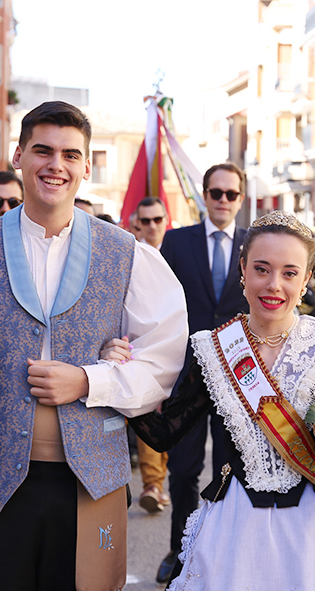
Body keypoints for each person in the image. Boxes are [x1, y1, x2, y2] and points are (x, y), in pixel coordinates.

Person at [0, 101, 189, 590]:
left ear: (85, 167)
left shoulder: (127, 253)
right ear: (18, 156)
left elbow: (164, 360)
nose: (56, 165)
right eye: (43, 150)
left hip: (93, 486)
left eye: (70, 154)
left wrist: (90, 380)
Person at [102, 210, 315, 590]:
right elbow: (164, 434)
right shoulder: (214, 349)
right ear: (242, 270)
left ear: (306, 279)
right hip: (237, 532)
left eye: (290, 273)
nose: (274, 285)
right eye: (262, 269)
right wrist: (120, 375)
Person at [155, 161, 249, 583]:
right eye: (216, 193)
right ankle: (181, 550)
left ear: (240, 199)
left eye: (231, 194)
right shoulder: (177, 242)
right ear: (204, 196)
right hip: (187, 376)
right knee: (183, 471)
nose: (223, 200)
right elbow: (159, 306)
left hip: (239, 377)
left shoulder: (255, 243)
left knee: (230, 469)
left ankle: (221, 551)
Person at [132, 196, 172, 513]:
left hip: (181, 349)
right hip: (142, 351)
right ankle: (153, 485)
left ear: (165, 220)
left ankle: (163, 484)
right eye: (145, 221)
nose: (152, 226)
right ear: (137, 224)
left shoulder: (180, 252)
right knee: (149, 414)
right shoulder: (131, 254)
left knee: (176, 421)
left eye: (157, 219)